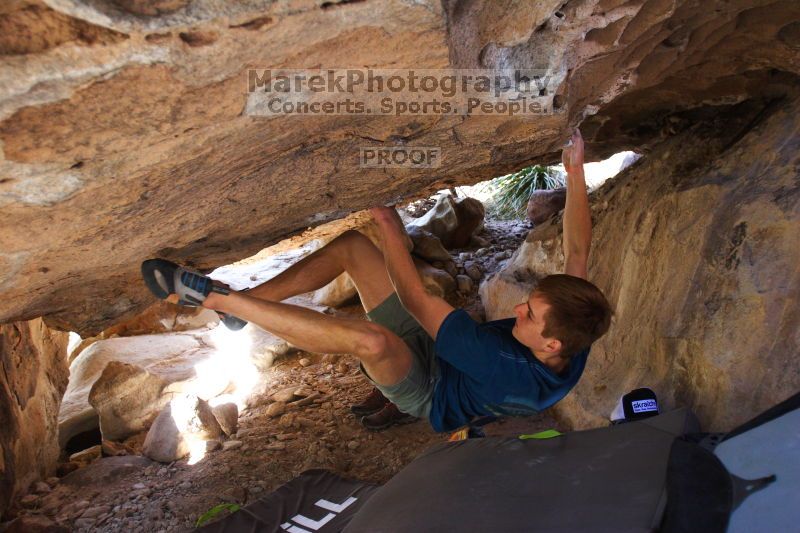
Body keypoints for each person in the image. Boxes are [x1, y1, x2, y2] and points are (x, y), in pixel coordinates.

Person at [141, 128, 612, 433]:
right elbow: (577, 252)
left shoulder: (499, 360)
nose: (517, 309)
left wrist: (390, 224)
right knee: (353, 250)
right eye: (527, 303)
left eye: (529, 316)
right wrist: (574, 172)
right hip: (447, 353)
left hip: (431, 389)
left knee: (373, 341)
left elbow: (413, 296)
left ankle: (225, 302)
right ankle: (244, 307)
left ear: (549, 346)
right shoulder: (576, 328)